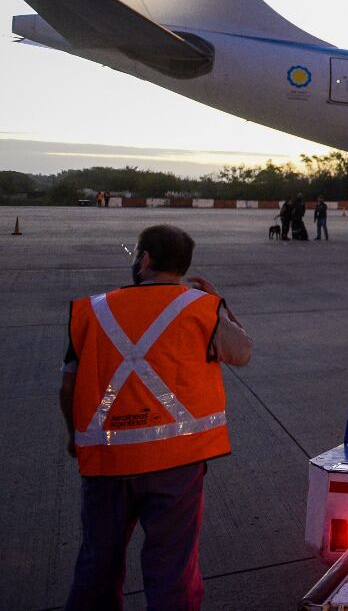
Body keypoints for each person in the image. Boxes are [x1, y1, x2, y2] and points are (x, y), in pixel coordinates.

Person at [60, 224, 252, 610]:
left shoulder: (92, 310)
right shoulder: (201, 307)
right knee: (172, 571)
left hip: (107, 461)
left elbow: (68, 388)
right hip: (176, 464)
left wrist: (74, 437)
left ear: (145, 260)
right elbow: (242, 351)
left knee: (98, 565)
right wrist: (220, 302)